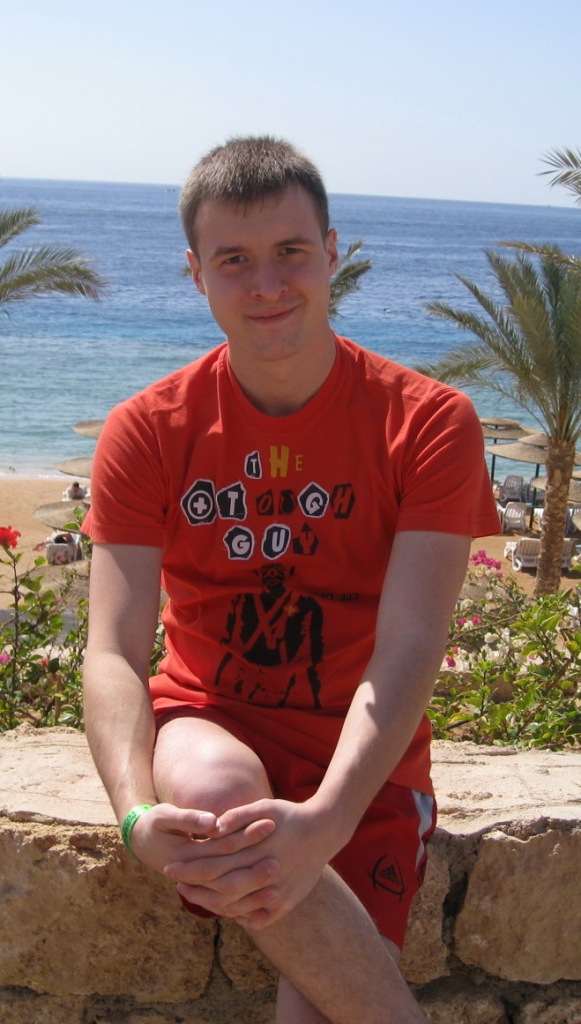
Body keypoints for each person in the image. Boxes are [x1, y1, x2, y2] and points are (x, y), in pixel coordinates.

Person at [82, 135, 500, 1024]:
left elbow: (410, 644)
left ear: (332, 253)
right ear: (195, 273)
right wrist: (132, 813)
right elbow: (112, 650)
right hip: (209, 721)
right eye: (234, 259)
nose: (267, 284)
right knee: (216, 795)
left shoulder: (429, 422)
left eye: (290, 251)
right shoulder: (147, 429)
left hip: (364, 756)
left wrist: (330, 820)